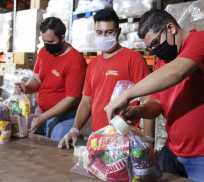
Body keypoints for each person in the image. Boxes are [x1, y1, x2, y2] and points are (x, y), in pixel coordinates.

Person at [104, 8, 204, 182]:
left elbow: (178, 71)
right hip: (171, 152)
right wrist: (138, 110)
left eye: (155, 43)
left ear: (171, 28)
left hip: (203, 156)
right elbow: (157, 102)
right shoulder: (163, 58)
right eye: (150, 47)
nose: (155, 51)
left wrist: (126, 95)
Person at [58, 8, 154, 149]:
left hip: (124, 138)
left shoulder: (134, 59)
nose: (104, 37)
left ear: (118, 32)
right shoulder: (93, 64)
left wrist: (148, 139)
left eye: (109, 32)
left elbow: (147, 100)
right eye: (99, 32)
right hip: (97, 137)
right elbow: (86, 101)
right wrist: (75, 129)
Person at [15, 17, 87, 141]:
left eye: (50, 41)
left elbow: (72, 98)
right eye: (44, 41)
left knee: (57, 153)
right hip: (41, 110)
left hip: (64, 117)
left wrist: (44, 117)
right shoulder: (43, 52)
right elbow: (37, 78)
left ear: (62, 38)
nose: (47, 45)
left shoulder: (75, 61)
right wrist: (26, 87)